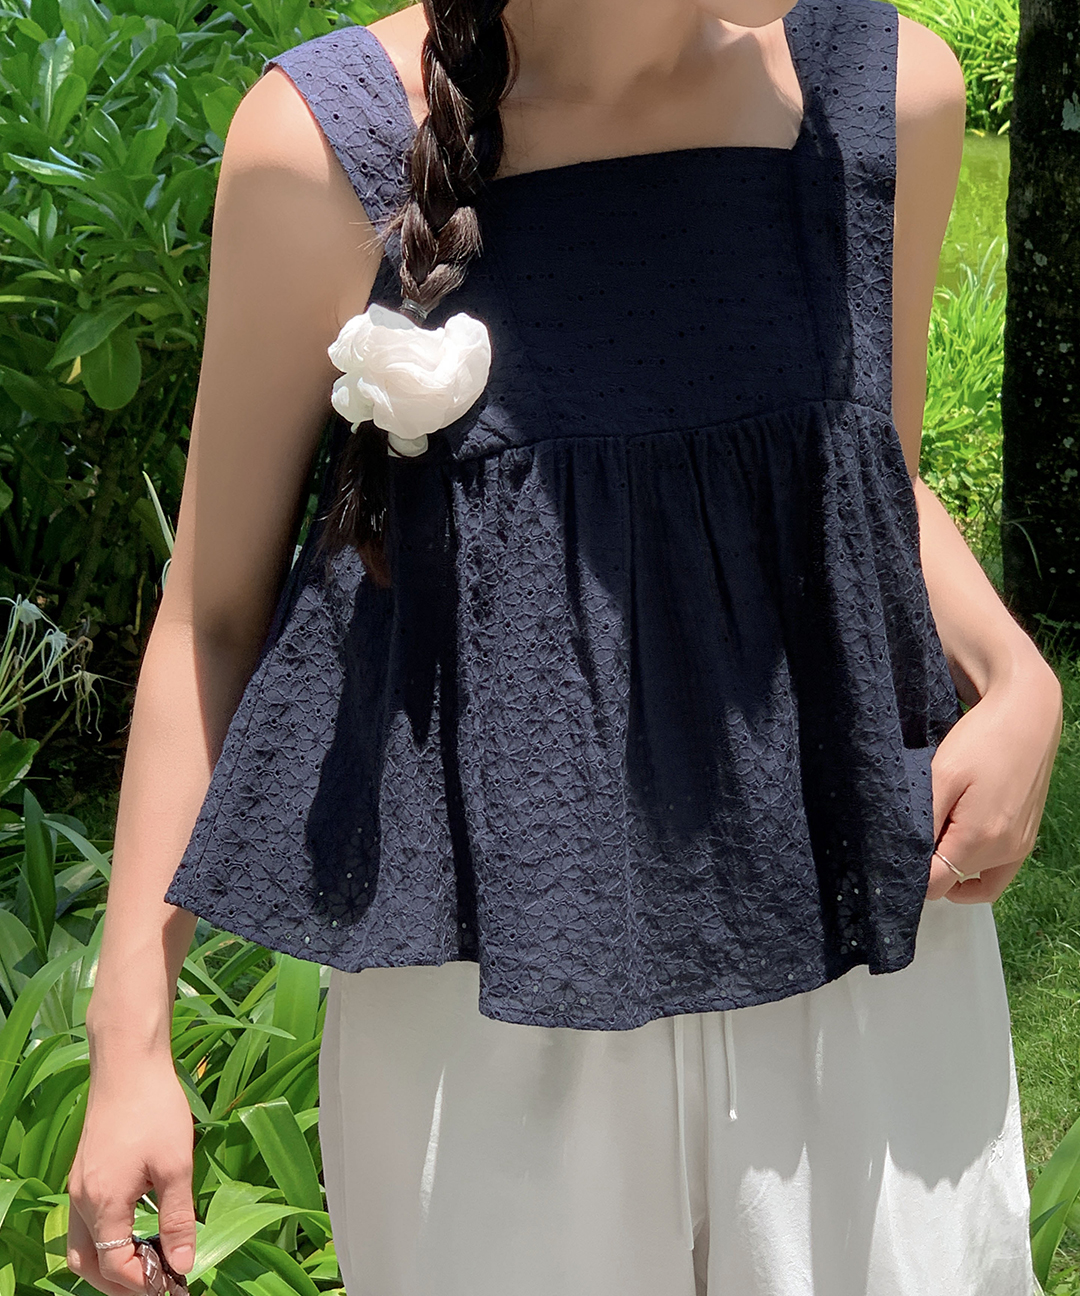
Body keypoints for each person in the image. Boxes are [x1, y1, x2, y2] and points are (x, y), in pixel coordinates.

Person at [66, 0, 1063, 1292]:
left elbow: (868, 479)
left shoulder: (885, 99)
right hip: (489, 993)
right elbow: (211, 618)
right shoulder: (321, 150)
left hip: (854, 949)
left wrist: (1017, 679)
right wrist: (130, 1042)